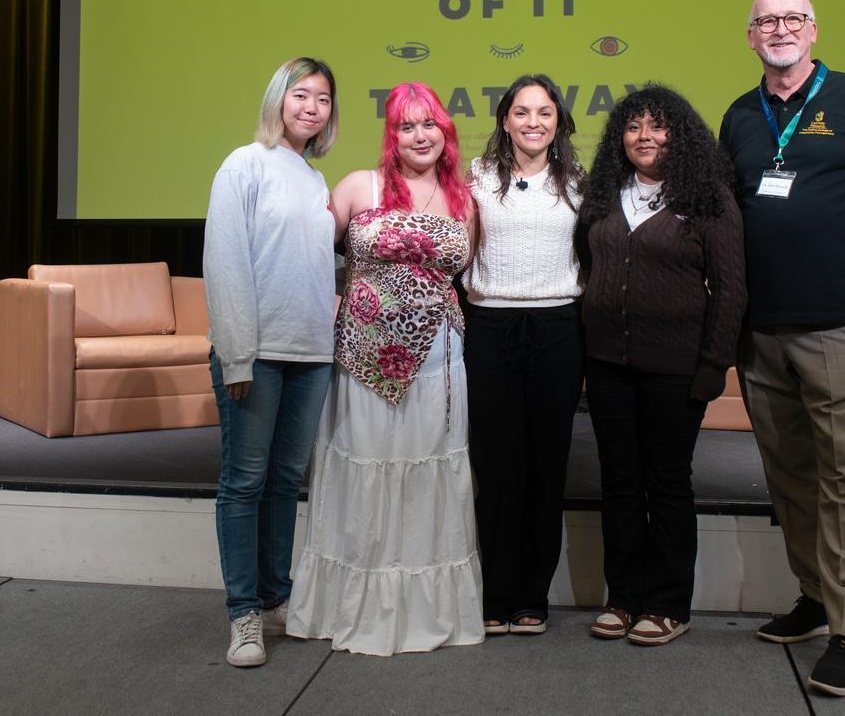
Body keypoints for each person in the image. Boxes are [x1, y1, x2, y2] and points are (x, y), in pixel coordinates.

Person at [719, 0, 845, 697]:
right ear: (750, 36)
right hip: (761, 327)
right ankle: (815, 596)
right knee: (789, 475)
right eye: (767, 20)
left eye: (792, 18)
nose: (780, 29)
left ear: (813, 29)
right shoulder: (740, 115)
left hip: (839, 323)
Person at [287, 82, 485, 655]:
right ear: (391, 135)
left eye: (429, 124)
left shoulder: (465, 199)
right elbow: (305, 256)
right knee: (366, 468)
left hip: (439, 361)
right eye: (406, 125)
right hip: (362, 359)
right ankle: (353, 606)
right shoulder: (359, 186)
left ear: (445, 131)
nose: (420, 136)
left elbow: (468, 276)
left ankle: (426, 610)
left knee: (428, 474)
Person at [576, 85, 746, 646]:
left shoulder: (708, 198)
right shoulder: (605, 194)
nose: (644, 137)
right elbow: (588, 265)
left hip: (676, 368)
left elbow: (730, 289)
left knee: (667, 482)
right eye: (633, 127)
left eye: (657, 126)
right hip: (608, 365)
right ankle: (623, 598)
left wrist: (714, 365)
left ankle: (669, 604)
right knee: (620, 482)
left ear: (680, 134)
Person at [203, 56, 339, 667]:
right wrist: (236, 356)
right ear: (278, 98)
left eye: (323, 99)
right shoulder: (245, 164)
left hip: (311, 355)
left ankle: (276, 595)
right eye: (301, 94)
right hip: (255, 356)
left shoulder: (313, 178)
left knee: (286, 482)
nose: (311, 107)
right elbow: (225, 262)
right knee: (244, 481)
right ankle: (243, 614)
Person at [463, 74, 586, 635]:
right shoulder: (476, 178)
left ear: (558, 121)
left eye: (544, 112)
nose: (533, 122)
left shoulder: (580, 183)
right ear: (505, 120)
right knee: (495, 464)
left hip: (558, 328)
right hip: (490, 326)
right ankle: (497, 594)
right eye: (521, 112)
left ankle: (533, 596)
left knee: (546, 463)